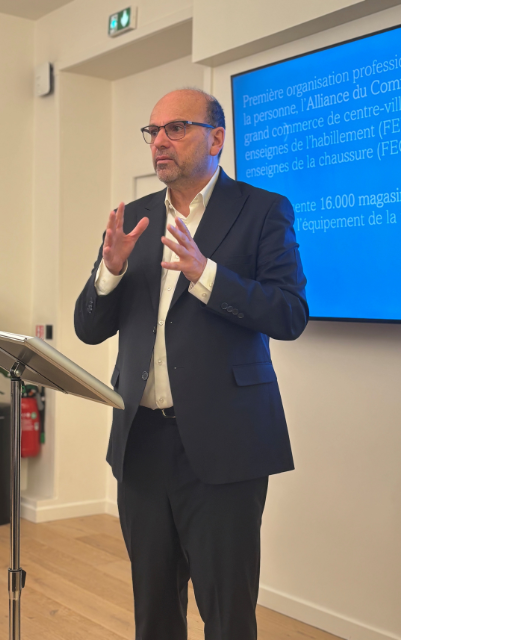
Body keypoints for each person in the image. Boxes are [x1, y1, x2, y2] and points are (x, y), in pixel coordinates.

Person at [74, 88, 308, 640]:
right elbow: (89, 328)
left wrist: (207, 274)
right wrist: (109, 273)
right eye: (153, 131)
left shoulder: (262, 210)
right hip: (141, 443)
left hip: (225, 445)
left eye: (176, 128)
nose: (160, 141)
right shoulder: (133, 219)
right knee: (154, 612)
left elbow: (289, 313)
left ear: (216, 138)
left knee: (227, 616)